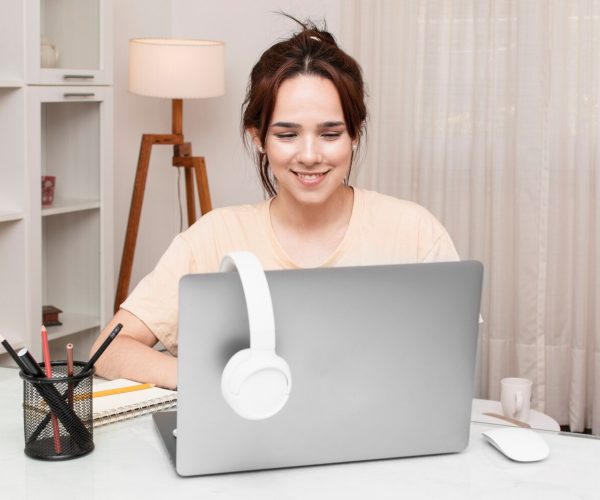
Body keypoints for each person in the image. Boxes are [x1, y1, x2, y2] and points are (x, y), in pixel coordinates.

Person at [90, 18, 459, 389]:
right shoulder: (214, 237)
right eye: (287, 134)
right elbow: (108, 350)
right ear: (259, 137)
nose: (310, 155)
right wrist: (221, 382)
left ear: (355, 135)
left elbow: (450, 360)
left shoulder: (414, 232)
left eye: (330, 134)